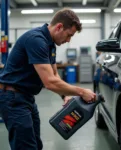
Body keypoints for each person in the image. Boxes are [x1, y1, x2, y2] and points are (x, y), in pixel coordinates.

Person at [0, 8, 96, 150]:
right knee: (25, 146)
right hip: (13, 98)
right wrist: (81, 92)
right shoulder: (36, 40)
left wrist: (66, 95)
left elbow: (54, 74)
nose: (69, 40)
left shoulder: (50, 44)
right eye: (69, 35)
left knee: (36, 145)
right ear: (59, 27)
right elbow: (49, 82)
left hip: (26, 98)